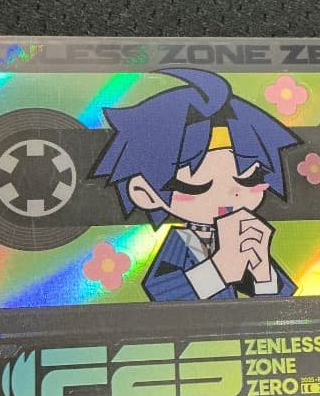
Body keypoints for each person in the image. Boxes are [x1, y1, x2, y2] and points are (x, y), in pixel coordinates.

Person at [92, 68, 299, 301]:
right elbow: (163, 294)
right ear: (144, 193)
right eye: (199, 186)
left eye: (249, 179)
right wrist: (220, 268)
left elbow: (281, 304)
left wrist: (262, 272)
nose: (231, 193)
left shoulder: (242, 241)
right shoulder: (179, 247)